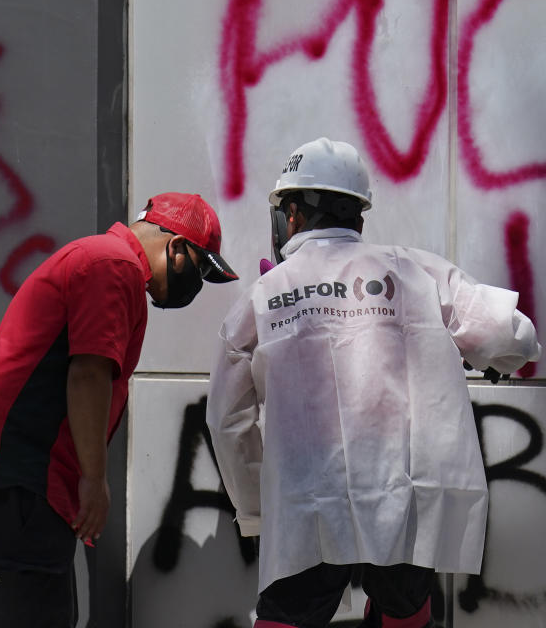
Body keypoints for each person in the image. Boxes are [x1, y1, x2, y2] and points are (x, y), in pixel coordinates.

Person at [206, 137, 542, 628]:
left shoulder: (264, 295)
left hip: (307, 503)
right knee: (403, 610)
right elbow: (512, 336)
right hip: (402, 495)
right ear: (359, 217)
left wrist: (260, 508)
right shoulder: (414, 270)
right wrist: (501, 357)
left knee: (289, 616)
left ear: (291, 215)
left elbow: (226, 418)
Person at [0, 192, 238, 627]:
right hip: (27, 482)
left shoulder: (101, 259)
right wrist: (94, 479)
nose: (195, 287)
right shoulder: (113, 265)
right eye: (200, 271)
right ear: (177, 248)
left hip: (15, 482)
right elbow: (88, 374)